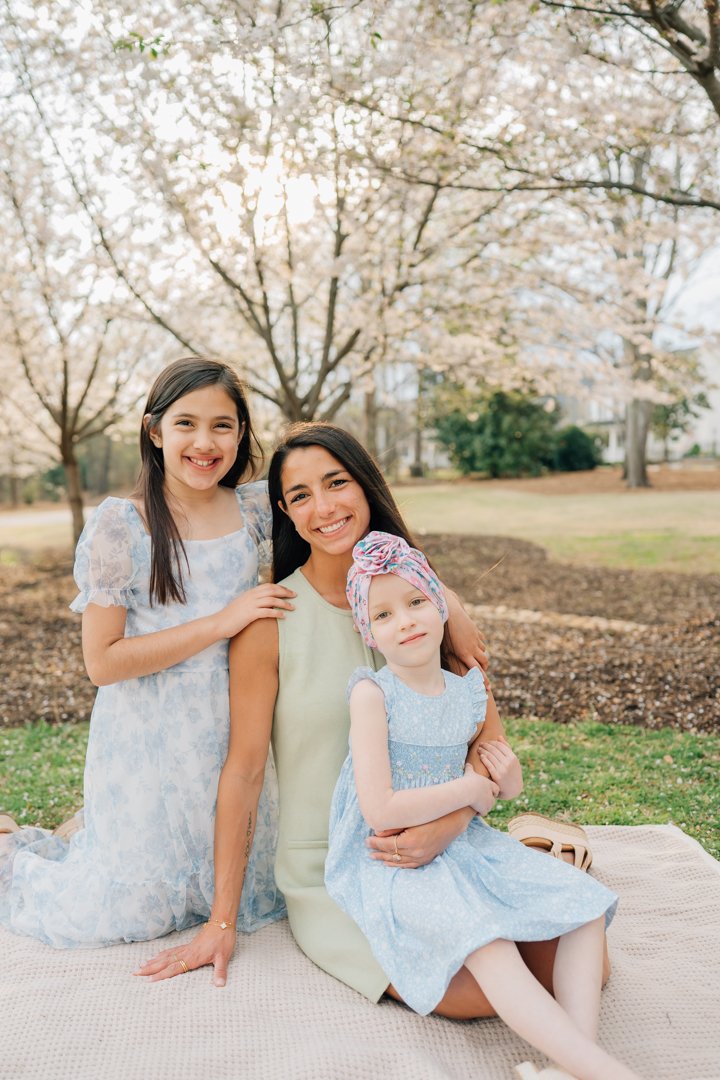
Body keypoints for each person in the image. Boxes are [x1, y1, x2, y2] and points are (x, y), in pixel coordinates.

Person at [140, 422, 608, 1023]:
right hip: (336, 865)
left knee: (585, 965)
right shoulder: (271, 620)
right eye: (302, 495)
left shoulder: (417, 602)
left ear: (366, 486)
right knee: (478, 994)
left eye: (337, 483)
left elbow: (487, 741)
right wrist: (221, 921)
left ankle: (532, 853)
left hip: (446, 846)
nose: (325, 507)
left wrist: (453, 821)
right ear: (285, 510)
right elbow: (245, 771)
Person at [0, 357, 294, 948]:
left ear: (242, 434)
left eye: (223, 426)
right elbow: (103, 662)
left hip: (235, 728)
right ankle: (11, 851)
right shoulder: (121, 525)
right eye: (186, 424)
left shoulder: (256, 509)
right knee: (126, 915)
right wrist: (221, 621)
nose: (205, 443)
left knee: (248, 893)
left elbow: (357, 534)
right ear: (154, 431)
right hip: (149, 739)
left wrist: (448, 605)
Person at [324, 531, 637, 1080]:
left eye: (417, 602)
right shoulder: (373, 695)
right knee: (485, 939)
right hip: (393, 858)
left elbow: (501, 787)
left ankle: (573, 1061)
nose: (406, 621)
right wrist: (470, 791)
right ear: (367, 631)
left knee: (584, 908)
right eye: (385, 614)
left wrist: (506, 779)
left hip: (465, 846)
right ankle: (604, 1072)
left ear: (441, 606)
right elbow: (380, 809)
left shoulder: (468, 691)